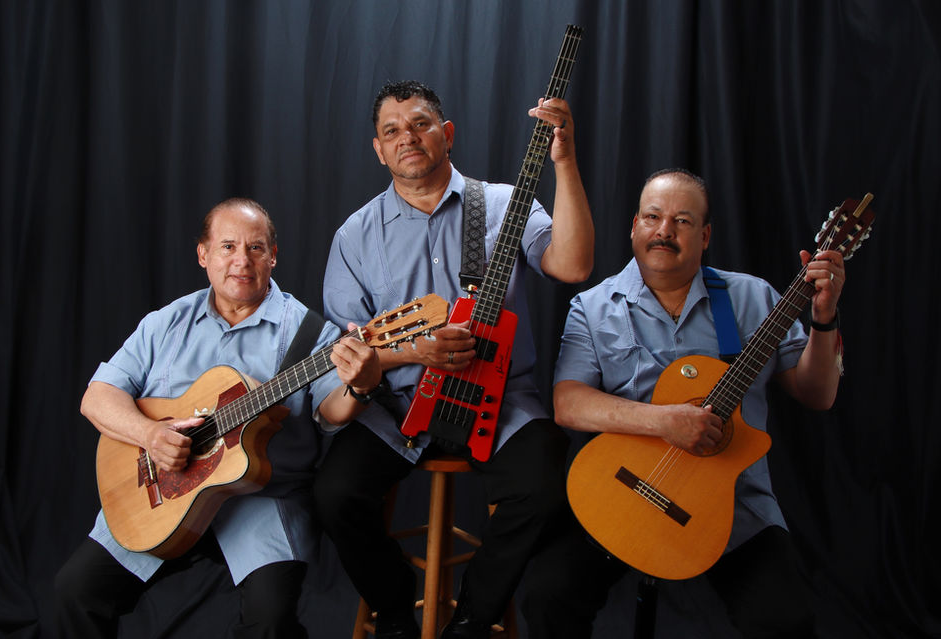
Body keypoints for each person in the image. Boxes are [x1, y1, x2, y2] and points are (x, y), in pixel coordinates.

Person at [314, 80, 595, 639]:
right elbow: (346, 350)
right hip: (396, 408)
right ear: (378, 149)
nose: (407, 139)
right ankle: (395, 609)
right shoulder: (355, 235)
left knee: (544, 485)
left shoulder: (503, 205)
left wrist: (563, 162)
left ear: (446, 133)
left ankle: (471, 618)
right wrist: (410, 352)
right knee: (334, 493)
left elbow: (574, 264)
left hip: (501, 400)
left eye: (420, 124)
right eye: (392, 131)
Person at [521, 168, 845, 638]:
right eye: (653, 217)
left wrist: (824, 318)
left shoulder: (753, 297)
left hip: (733, 508)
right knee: (548, 597)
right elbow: (569, 404)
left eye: (682, 221)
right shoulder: (592, 307)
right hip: (620, 491)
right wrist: (664, 422)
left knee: (785, 621)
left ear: (706, 234)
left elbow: (818, 394)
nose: (664, 231)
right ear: (634, 225)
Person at [55, 198, 383, 638]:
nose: (241, 261)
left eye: (256, 247)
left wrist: (361, 383)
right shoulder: (166, 323)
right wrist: (150, 434)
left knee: (270, 619)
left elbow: (332, 412)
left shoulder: (310, 334)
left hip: (261, 499)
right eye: (228, 246)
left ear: (273, 255)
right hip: (160, 494)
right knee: (74, 592)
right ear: (204, 255)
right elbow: (97, 397)